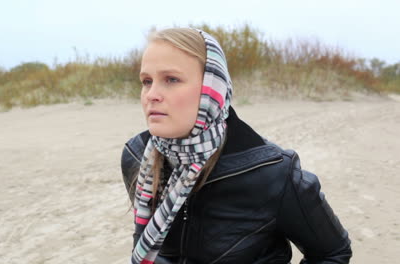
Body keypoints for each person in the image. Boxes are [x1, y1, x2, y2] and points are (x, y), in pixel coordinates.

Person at [121, 28, 352, 264]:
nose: (152, 94)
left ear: (213, 89)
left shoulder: (274, 174)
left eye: (171, 79)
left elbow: (333, 253)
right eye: (146, 81)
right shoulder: (138, 156)